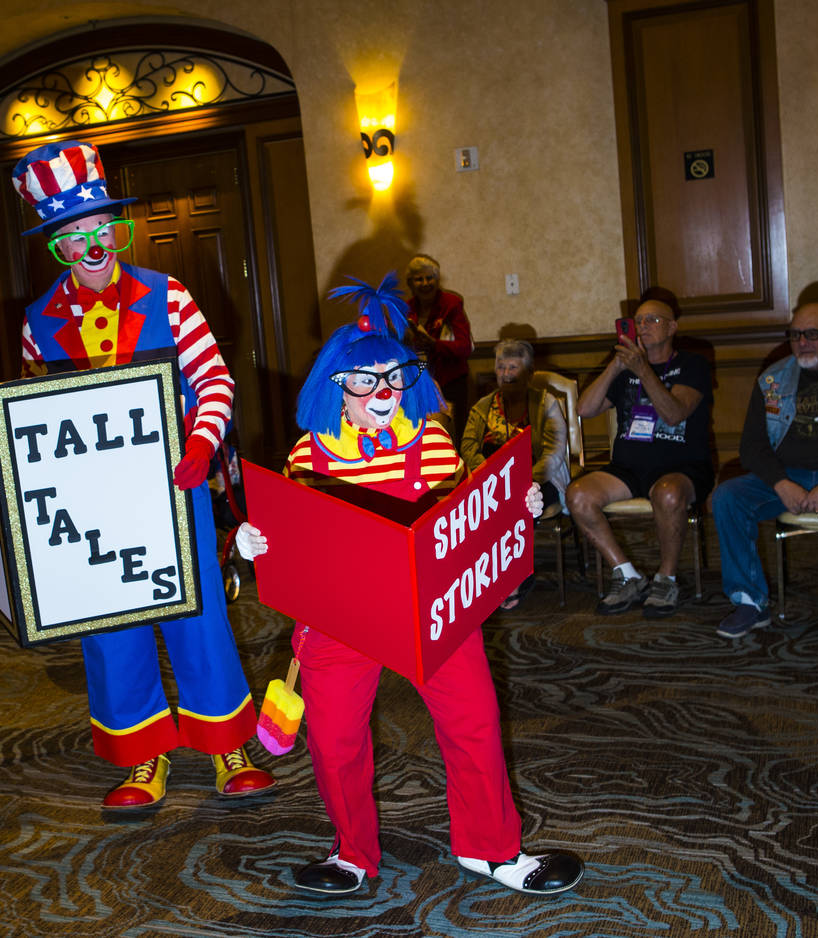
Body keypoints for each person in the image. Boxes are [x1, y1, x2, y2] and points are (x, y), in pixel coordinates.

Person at [236, 274, 583, 898]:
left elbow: (464, 519)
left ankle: (493, 849)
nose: (383, 393)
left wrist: (514, 505)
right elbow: (284, 529)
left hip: (429, 607)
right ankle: (351, 855)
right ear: (336, 387)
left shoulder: (433, 443)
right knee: (336, 740)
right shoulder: (309, 455)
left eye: (396, 378)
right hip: (341, 616)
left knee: (474, 721)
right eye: (365, 381)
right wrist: (251, 541)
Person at [11, 140, 275, 807]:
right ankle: (141, 757)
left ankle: (226, 745)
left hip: (173, 489)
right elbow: (29, 409)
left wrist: (199, 443)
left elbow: (214, 378)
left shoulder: (171, 295)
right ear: (58, 247)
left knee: (199, 615)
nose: (94, 244)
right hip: (91, 506)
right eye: (76, 236)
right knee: (111, 629)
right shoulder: (38, 324)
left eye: (102, 227)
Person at [566, 286, 713, 618]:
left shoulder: (692, 365)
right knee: (577, 495)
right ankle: (627, 575)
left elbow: (674, 413)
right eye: (638, 321)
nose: (643, 326)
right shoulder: (625, 367)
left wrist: (644, 369)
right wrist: (617, 367)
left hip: (683, 467)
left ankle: (667, 578)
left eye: (653, 320)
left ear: (672, 327)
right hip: (629, 468)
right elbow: (585, 409)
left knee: (668, 494)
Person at [711, 301, 818, 638]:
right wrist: (781, 483)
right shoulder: (773, 378)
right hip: (788, 476)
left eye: (812, 334)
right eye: (795, 335)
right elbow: (751, 447)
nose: (802, 342)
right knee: (728, 498)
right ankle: (750, 601)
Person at [460, 339, 570, 609]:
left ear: (529, 373)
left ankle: (517, 576)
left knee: (518, 500)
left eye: (513, 367)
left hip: (540, 478)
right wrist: (491, 477)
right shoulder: (482, 407)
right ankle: (479, 575)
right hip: (491, 480)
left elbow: (554, 453)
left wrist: (522, 480)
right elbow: (468, 447)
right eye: (501, 367)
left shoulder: (547, 403)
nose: (506, 374)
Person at [404, 255, 473, 445]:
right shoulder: (406, 309)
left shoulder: (451, 304)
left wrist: (433, 344)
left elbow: (464, 347)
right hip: (418, 384)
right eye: (419, 279)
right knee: (424, 439)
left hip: (450, 382)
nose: (425, 283)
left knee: (453, 438)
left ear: (437, 279)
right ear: (410, 283)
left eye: (430, 278)